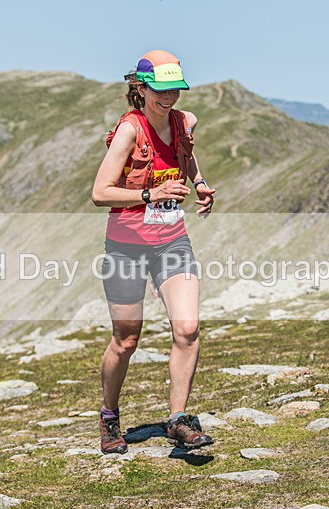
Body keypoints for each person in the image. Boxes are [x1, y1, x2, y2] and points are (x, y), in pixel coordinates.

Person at [91, 50, 217, 454]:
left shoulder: (185, 122)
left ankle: (178, 419)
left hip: (171, 242)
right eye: (160, 91)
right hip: (126, 246)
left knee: (188, 328)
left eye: (174, 90)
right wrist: (151, 193)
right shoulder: (130, 130)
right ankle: (110, 418)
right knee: (126, 341)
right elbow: (100, 193)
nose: (169, 98)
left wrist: (199, 183)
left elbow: (187, 155)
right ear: (140, 88)